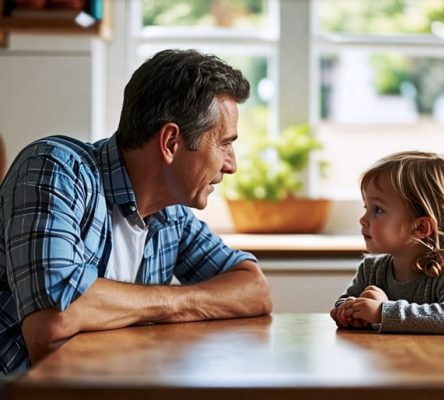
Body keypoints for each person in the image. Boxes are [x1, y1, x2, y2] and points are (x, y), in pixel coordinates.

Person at [0, 49, 272, 375]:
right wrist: (174, 303)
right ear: (170, 142)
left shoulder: (171, 215)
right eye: (224, 144)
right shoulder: (55, 169)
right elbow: (52, 324)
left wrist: (161, 303)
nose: (232, 165)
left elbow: (254, 289)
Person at [330, 151, 444, 334]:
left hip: (442, 359)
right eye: (366, 207)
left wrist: (381, 311)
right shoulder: (372, 269)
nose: (363, 219)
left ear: (420, 227)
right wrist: (347, 311)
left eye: (377, 209)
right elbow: (346, 299)